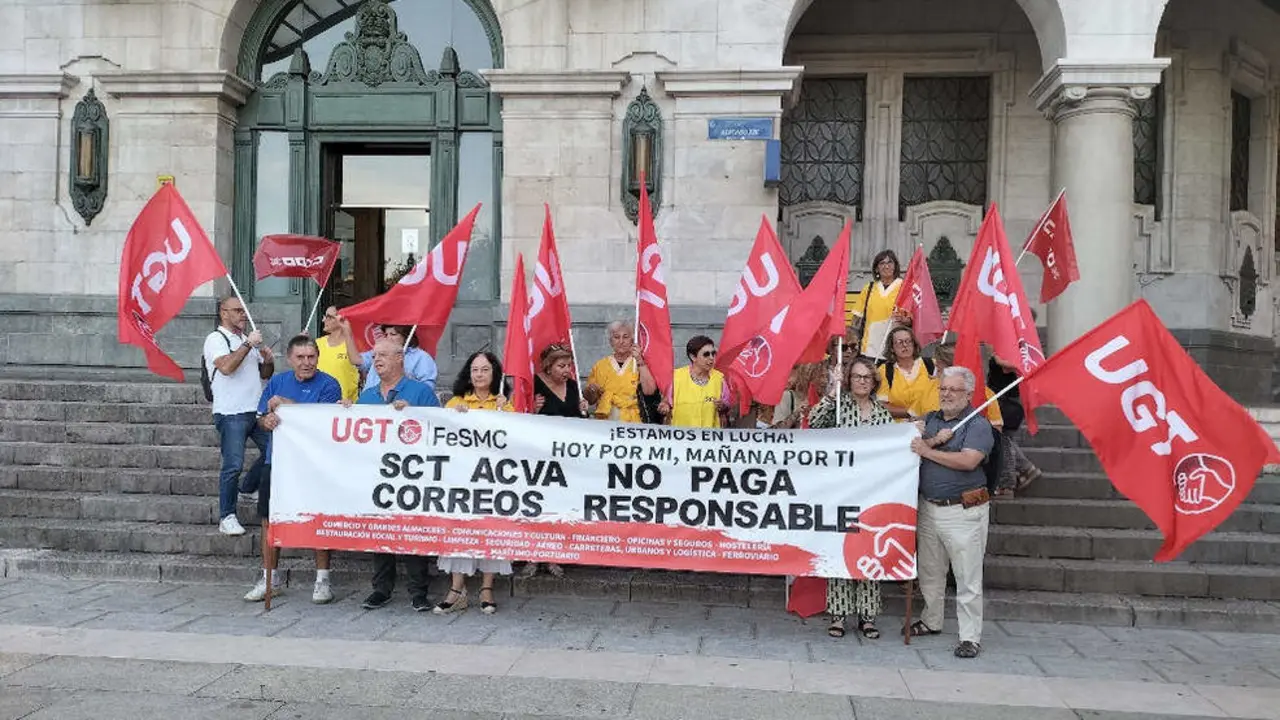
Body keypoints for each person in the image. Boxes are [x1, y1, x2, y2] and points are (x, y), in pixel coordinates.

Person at [245, 335, 342, 603]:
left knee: (318, 517)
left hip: (314, 464)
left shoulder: (329, 384)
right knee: (268, 519)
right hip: (276, 461)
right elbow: (261, 418)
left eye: (311, 357)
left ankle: (322, 579)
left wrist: (288, 406)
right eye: (300, 357)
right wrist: (269, 420)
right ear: (289, 359)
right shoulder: (277, 381)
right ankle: (269, 578)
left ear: (318, 358)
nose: (306, 362)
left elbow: (324, 421)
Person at [908, 366, 995, 659]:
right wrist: (924, 438)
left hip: (963, 511)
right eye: (943, 388)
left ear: (968, 394)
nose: (946, 394)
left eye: (953, 390)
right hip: (929, 508)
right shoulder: (930, 421)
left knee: (967, 576)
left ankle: (970, 637)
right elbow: (909, 445)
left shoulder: (977, 424)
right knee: (930, 572)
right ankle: (931, 620)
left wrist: (927, 451)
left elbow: (969, 461)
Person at [807, 356, 894, 640]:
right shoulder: (839, 408)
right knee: (841, 552)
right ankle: (839, 614)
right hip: (841, 494)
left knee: (869, 553)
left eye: (866, 377)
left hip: (872, 495)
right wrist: (833, 393)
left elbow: (893, 449)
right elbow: (815, 423)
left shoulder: (883, 414)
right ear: (849, 379)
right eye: (856, 376)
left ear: (874, 382)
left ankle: (867, 616)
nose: (861, 381)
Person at [353, 337, 441, 612]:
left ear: (400, 358)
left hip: (412, 474)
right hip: (377, 474)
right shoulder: (366, 396)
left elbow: (439, 429)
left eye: (383, 355)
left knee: (413, 531)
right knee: (381, 529)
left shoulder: (420, 392)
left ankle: (419, 592)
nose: (376, 360)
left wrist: (413, 414)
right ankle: (381, 589)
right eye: (374, 356)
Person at [436, 351, 514, 614]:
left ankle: (487, 588)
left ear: (495, 374)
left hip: (493, 479)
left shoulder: (504, 403)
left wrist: (507, 414)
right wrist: (456, 417)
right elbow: (443, 437)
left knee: (492, 529)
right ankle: (457, 589)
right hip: (462, 479)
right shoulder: (456, 403)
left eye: (485, 370)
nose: (479, 375)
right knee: (460, 529)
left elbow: (519, 440)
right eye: (475, 370)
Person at [204, 295, 275, 536]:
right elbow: (226, 367)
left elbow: (264, 375)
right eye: (237, 311)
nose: (243, 314)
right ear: (224, 313)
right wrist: (247, 346)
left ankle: (248, 487)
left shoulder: (246, 339)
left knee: (275, 450)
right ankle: (227, 516)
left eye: (243, 311)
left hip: (254, 411)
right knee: (232, 465)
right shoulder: (216, 339)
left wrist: (268, 360)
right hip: (230, 412)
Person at [523, 343, 586, 578]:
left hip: (565, 459)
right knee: (537, 506)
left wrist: (583, 410)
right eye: (561, 366)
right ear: (548, 367)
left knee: (558, 507)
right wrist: (531, 409)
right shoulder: (534, 384)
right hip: (538, 457)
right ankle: (533, 555)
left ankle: (554, 556)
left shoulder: (573, 385)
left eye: (569, 365)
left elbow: (578, 421)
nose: (567, 370)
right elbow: (517, 416)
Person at [582, 321, 659, 423]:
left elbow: (650, 391)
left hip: (633, 421)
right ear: (610, 341)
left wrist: (640, 361)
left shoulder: (638, 362)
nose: (621, 341)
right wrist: (592, 391)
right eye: (616, 337)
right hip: (606, 421)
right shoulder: (600, 365)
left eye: (625, 337)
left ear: (632, 340)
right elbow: (590, 400)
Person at [987, 353, 1043, 495]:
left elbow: (1005, 366)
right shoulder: (1008, 349)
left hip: (1006, 403)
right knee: (1005, 441)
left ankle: (1007, 484)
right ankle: (1026, 468)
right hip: (1004, 401)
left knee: (1004, 443)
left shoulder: (1007, 349)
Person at [339, 319, 438, 392]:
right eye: (386, 335)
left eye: (393, 334)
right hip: (371, 405)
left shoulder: (421, 358)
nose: (388, 338)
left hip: (402, 410)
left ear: (406, 336)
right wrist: (347, 333)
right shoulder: (377, 353)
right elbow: (356, 360)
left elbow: (427, 388)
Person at [663, 335, 733, 428]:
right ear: (693, 357)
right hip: (682, 438)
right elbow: (666, 403)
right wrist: (664, 406)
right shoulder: (676, 377)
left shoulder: (719, 378)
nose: (711, 358)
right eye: (706, 354)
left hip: (709, 438)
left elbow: (728, 406)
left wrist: (723, 406)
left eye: (713, 353)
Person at [846, 249, 906, 356]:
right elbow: (856, 320)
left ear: (895, 266)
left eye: (889, 262)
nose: (886, 266)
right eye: (882, 263)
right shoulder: (868, 288)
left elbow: (910, 318)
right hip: (869, 349)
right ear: (877, 268)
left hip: (895, 349)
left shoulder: (904, 288)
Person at [877, 326, 933, 420]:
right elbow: (882, 405)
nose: (905, 345)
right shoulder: (885, 370)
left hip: (929, 423)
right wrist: (912, 413)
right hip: (899, 428)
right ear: (891, 348)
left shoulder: (932, 365)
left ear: (914, 344)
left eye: (908, 341)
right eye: (899, 342)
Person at [315, 306, 360, 402]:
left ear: (341, 319)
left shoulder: (353, 346)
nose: (323, 320)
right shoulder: (317, 343)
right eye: (324, 316)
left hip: (345, 406)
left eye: (328, 317)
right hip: (318, 403)